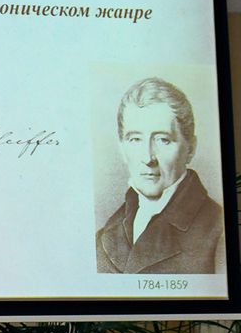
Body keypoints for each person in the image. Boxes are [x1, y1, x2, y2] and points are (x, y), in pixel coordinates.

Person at [96, 77, 224, 274]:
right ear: (122, 149)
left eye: (163, 140)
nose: (148, 157)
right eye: (135, 139)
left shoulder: (219, 231)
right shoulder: (104, 237)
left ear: (190, 148)